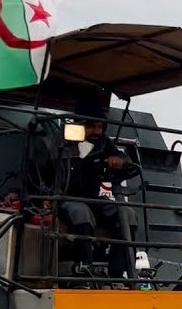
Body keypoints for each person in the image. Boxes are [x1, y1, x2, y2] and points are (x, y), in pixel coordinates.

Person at [59, 100, 140, 285]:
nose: (98, 131)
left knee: (127, 214)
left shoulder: (104, 143)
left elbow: (125, 159)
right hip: (63, 198)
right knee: (81, 212)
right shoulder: (59, 142)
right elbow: (38, 169)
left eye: (100, 127)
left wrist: (120, 159)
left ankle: (118, 273)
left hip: (93, 199)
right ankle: (83, 272)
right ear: (79, 124)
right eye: (92, 127)